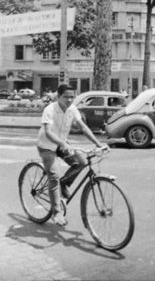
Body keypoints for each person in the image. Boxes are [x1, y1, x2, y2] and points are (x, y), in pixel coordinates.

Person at [36, 84, 106, 226]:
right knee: (53, 176)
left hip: (62, 144)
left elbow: (83, 127)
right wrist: (64, 144)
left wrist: (98, 143)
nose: (69, 100)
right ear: (58, 96)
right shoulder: (49, 110)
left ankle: (64, 184)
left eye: (72, 97)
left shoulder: (72, 109)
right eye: (65, 97)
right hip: (46, 146)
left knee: (81, 162)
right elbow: (48, 132)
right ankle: (57, 213)